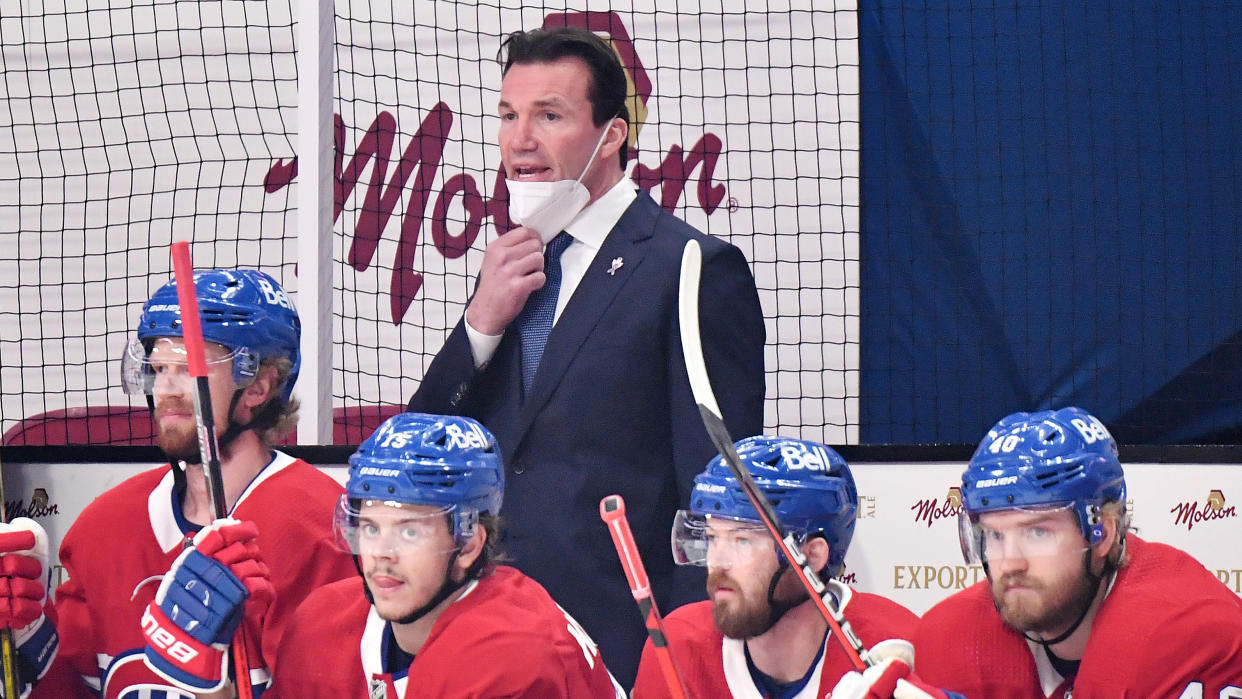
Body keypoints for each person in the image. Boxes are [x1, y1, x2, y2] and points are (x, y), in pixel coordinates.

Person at [407, 26, 766, 686]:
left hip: (626, 651)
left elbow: (718, 503)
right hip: (488, 651)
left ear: (613, 135)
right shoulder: (510, 270)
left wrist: (685, 663)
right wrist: (478, 326)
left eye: (549, 115)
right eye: (508, 116)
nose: (519, 141)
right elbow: (418, 453)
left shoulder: (690, 267)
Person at [1, 269, 357, 698]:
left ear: (260, 384)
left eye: (189, 368)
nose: (166, 389)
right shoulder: (105, 526)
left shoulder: (320, 528)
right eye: (158, 367)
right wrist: (30, 643)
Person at [267, 411, 624, 698]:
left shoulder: (510, 655)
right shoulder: (322, 623)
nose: (382, 554)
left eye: (409, 531)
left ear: (468, 544)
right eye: (372, 528)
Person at [908, 406, 1242, 697]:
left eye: (1038, 532)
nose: (1009, 562)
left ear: (1101, 534)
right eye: (995, 535)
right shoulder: (952, 638)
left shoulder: (1182, 633)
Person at [631, 436, 919, 698]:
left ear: (812, 556)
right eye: (711, 537)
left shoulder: (894, 645)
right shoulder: (678, 646)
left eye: (742, 540)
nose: (716, 561)